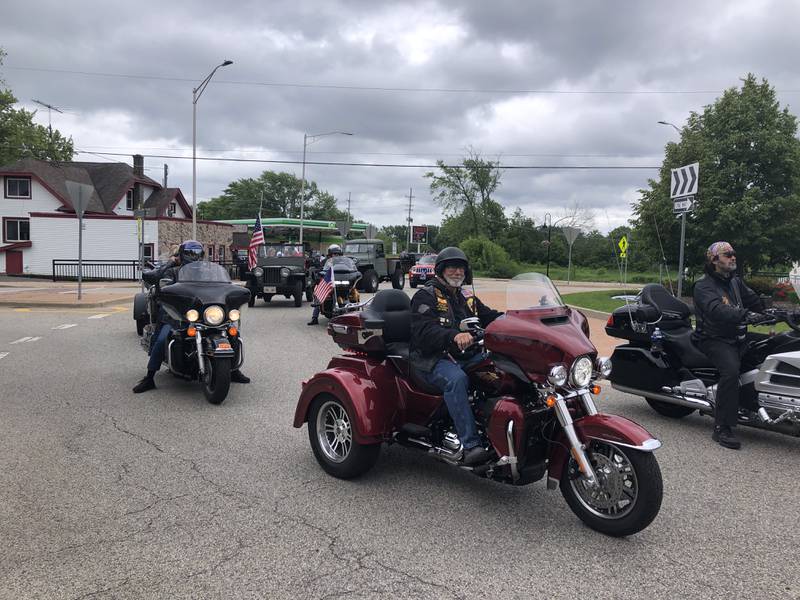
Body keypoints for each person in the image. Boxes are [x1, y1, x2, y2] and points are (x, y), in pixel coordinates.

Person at [410, 246, 503, 465]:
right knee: (456, 380)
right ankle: (471, 445)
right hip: (430, 359)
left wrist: (517, 320)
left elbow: (489, 316)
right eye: (452, 267)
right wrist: (454, 336)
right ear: (441, 270)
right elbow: (423, 333)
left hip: (465, 355)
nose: (457, 272)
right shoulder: (426, 296)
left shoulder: (466, 297)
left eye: (460, 268)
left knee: (501, 369)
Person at [133, 240, 250, 393]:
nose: (193, 257)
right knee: (162, 339)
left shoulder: (209, 272)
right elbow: (154, 278)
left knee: (232, 333)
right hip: (175, 315)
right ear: (181, 255)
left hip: (203, 314)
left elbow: (223, 285)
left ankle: (233, 371)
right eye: (189, 253)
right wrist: (169, 264)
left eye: (196, 254)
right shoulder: (173, 271)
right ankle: (149, 377)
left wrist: (234, 291)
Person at [693, 241, 764, 449]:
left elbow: (754, 301)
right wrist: (747, 315)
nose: (733, 257)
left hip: (737, 337)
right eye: (727, 254)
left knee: (769, 350)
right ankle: (722, 427)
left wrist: (774, 312)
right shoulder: (703, 286)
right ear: (714, 260)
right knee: (731, 371)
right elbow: (717, 310)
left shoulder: (735, 282)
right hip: (713, 339)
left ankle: (754, 406)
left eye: (733, 254)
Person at [307, 243, 343, 326]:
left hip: (340, 282)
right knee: (318, 294)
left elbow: (348, 268)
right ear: (330, 254)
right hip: (328, 283)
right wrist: (318, 272)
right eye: (334, 254)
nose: (335, 255)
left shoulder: (343, 261)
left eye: (337, 254)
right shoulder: (324, 262)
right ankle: (314, 318)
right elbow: (320, 269)